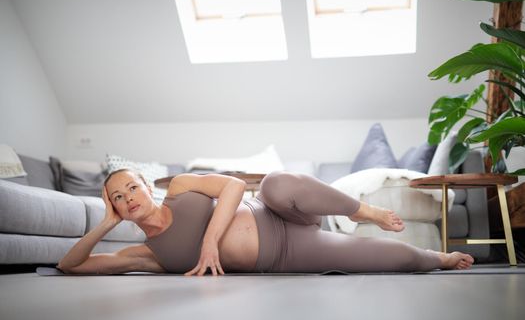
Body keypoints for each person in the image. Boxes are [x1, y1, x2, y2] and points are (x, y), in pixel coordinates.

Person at [57, 169, 474, 275]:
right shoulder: (149, 254)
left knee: (273, 182)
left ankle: (364, 211)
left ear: (148, 187)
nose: (127, 199)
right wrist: (106, 223)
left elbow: (237, 186)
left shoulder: (182, 187)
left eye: (131, 188)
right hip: (285, 254)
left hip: (279, 210)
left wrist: (209, 242)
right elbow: (69, 266)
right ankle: (438, 258)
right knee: (390, 260)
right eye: (117, 198)